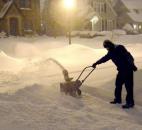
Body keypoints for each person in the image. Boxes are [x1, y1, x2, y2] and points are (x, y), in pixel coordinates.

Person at [92, 40, 137, 109]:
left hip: (128, 70)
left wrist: (132, 65)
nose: (107, 49)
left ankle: (130, 103)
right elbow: (104, 58)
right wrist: (96, 63)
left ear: (110, 45)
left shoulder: (120, 48)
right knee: (118, 84)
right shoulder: (110, 52)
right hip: (121, 71)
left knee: (128, 87)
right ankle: (118, 99)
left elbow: (129, 57)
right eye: (106, 48)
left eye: (107, 47)